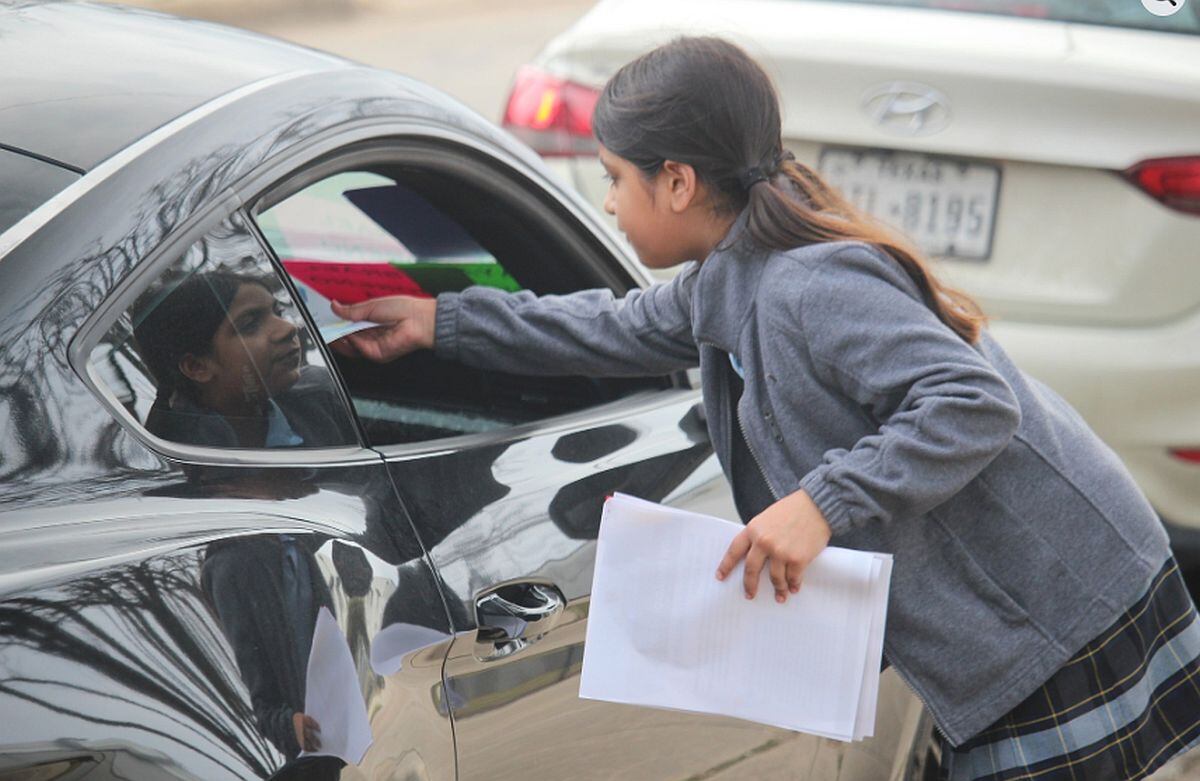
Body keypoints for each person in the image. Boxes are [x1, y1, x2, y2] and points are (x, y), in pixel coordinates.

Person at [330, 36, 1200, 780]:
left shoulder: (806, 284)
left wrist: (821, 504)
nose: (607, 202)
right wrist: (440, 321)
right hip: (1010, 612)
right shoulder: (731, 274)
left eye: (615, 179)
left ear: (676, 181)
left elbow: (972, 400)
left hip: (1057, 601)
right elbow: (613, 325)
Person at [132, 269, 356, 450]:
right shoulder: (173, 457)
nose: (288, 328)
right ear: (197, 367)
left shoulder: (325, 396)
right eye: (250, 325)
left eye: (277, 312)